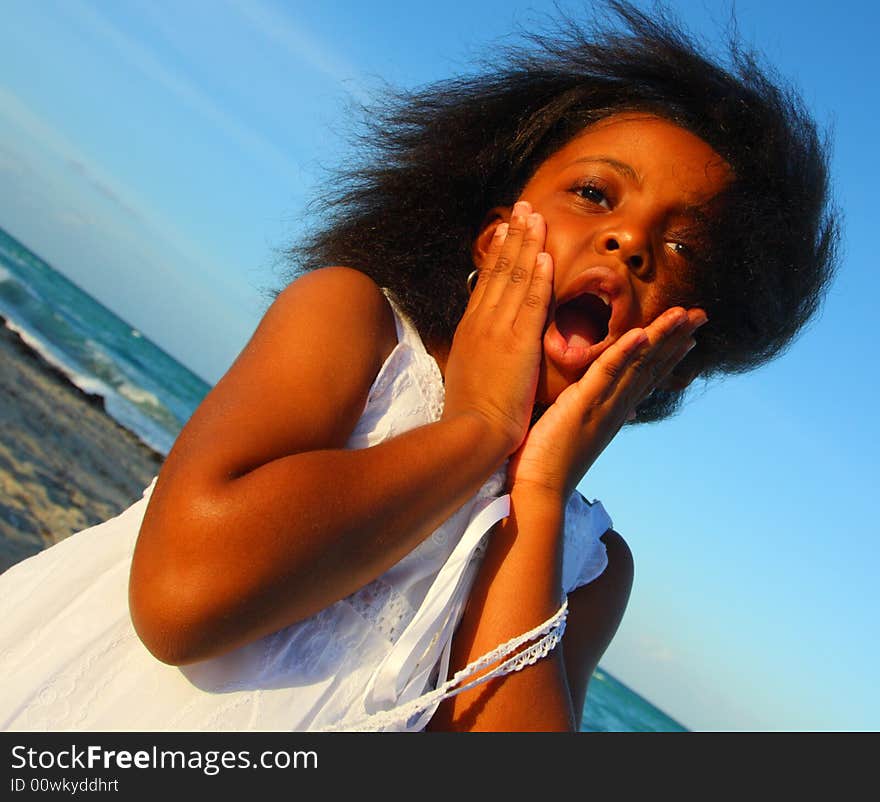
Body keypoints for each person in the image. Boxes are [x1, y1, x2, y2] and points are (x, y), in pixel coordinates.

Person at [0, 2, 837, 732]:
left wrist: (536, 498)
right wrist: (477, 431)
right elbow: (182, 601)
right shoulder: (353, 324)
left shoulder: (588, 569)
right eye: (594, 194)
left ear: (679, 358)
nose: (630, 242)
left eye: (682, 247)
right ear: (491, 236)